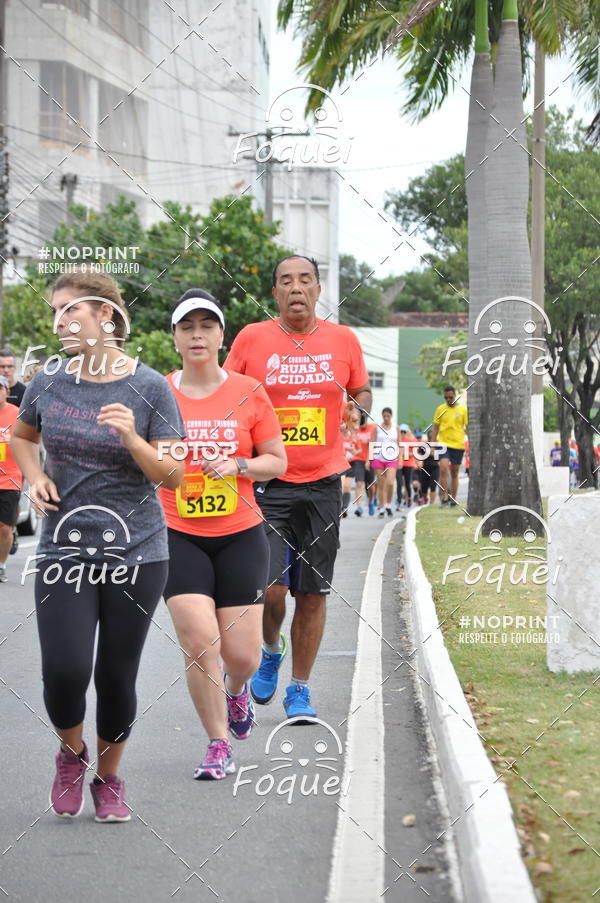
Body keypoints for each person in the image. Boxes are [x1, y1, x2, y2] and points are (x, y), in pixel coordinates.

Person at [11, 270, 185, 823]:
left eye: (72, 311)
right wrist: (33, 477)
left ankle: (108, 778)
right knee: (63, 669)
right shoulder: (48, 380)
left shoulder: (151, 387)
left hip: (137, 553)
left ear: (106, 316)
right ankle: (71, 753)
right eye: (56, 313)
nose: (60, 321)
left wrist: (133, 438)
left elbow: (175, 476)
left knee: (116, 676)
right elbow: (21, 435)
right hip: (64, 551)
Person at [224, 254, 371, 719]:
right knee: (268, 587)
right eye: (285, 281)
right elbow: (227, 389)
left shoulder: (342, 339)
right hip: (267, 480)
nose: (296, 288)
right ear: (275, 293)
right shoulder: (252, 338)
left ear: (318, 289)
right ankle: (270, 648)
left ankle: (300, 689)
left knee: (312, 591)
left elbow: (360, 388)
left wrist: (357, 406)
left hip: (325, 480)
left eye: (305, 280)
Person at [160, 290, 287, 781]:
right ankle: (216, 744)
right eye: (186, 326)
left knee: (243, 655)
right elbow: (139, 457)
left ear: (220, 335)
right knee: (199, 640)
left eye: (206, 325)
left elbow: (277, 461)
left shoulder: (249, 391)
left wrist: (237, 464)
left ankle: (237, 693)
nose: (196, 334)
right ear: (174, 338)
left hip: (240, 533)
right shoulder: (156, 392)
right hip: (176, 531)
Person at [0, 375, 22, 582]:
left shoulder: (17, 414)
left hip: (10, 478)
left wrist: (11, 441)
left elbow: (29, 443)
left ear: (7, 391)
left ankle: (1, 565)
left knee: (5, 527)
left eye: (0, 388)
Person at [431, 385, 468, 507]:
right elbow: (435, 428)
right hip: (443, 444)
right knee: (443, 469)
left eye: (450, 397)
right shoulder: (440, 409)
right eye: (446, 397)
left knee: (455, 472)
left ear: (455, 395)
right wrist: (432, 445)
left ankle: (453, 498)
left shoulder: (463, 410)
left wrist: (471, 445)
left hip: (458, 444)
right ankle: (445, 497)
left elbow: (467, 428)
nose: (448, 400)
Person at [370, 407, 399, 517]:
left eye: (388, 416)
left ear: (391, 416)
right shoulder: (377, 428)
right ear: (382, 416)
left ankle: (388, 504)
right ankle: (382, 508)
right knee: (381, 485)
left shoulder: (396, 428)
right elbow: (372, 442)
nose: (386, 418)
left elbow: (399, 444)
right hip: (378, 458)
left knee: (390, 483)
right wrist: (370, 459)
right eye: (384, 416)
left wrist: (400, 459)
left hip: (392, 458)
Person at [415, 430, 440, 505]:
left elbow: (442, 456)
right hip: (425, 468)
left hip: (435, 468)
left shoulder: (438, 445)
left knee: (433, 485)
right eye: (430, 437)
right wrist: (418, 462)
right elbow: (418, 454)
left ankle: (431, 504)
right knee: (424, 487)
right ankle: (424, 500)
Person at [397, 423, 416, 508]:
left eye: (404, 432)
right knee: (399, 483)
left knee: (407, 483)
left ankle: (408, 499)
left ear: (407, 432)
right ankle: (399, 501)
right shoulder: (396, 441)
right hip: (399, 464)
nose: (403, 434)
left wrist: (406, 454)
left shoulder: (411, 440)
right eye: (401, 432)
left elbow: (415, 453)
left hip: (409, 464)